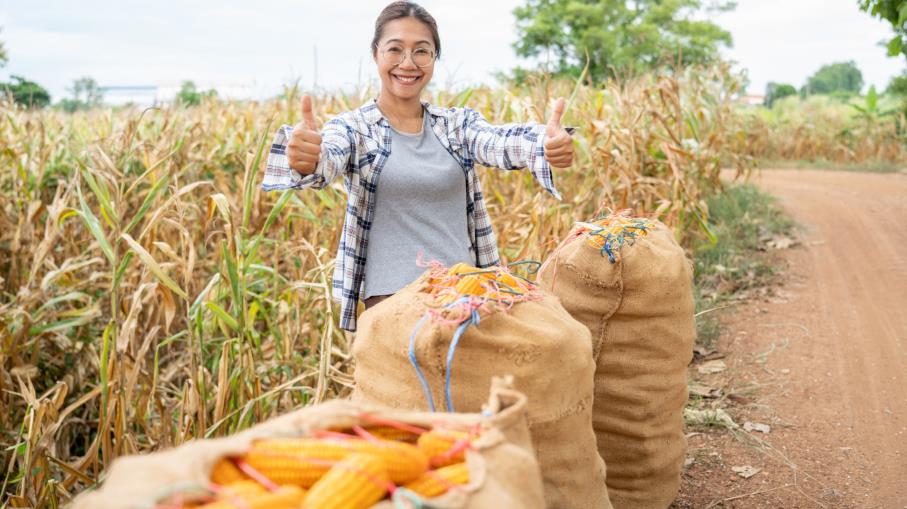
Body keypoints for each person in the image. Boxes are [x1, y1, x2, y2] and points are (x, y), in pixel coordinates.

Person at [261, 1, 574, 331]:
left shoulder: (455, 126)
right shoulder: (355, 129)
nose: (408, 63)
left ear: (435, 58)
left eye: (422, 51)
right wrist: (307, 159)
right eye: (395, 49)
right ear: (375, 54)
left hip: (464, 299)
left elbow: (499, 142)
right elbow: (327, 157)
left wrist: (545, 144)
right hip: (392, 306)